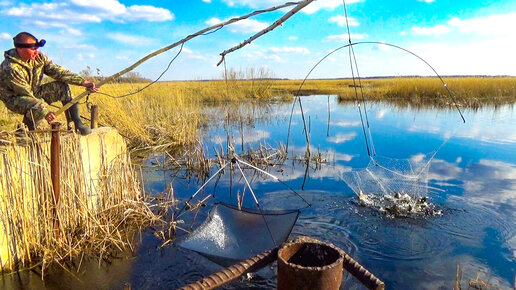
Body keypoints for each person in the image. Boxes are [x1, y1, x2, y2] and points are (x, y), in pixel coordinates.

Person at [0, 32, 98, 135]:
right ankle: (25, 132)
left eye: (36, 49)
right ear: (20, 49)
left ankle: (76, 124)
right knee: (39, 106)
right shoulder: (10, 67)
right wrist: (46, 112)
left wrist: (84, 82)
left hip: (34, 92)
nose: (36, 52)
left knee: (62, 87)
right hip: (15, 99)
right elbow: (25, 93)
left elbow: (58, 71)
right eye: (33, 49)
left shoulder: (39, 58)